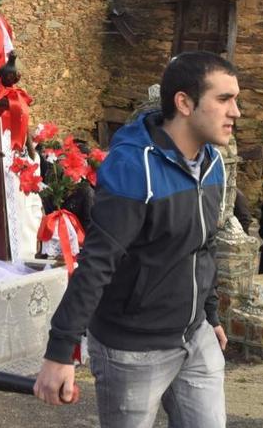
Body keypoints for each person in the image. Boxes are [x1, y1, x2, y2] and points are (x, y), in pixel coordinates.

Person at [34, 51, 237, 428]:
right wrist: (60, 352)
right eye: (224, 99)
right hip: (132, 348)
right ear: (185, 103)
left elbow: (203, 244)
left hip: (196, 336)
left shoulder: (213, 162)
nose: (236, 111)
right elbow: (97, 261)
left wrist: (209, 315)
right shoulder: (133, 165)